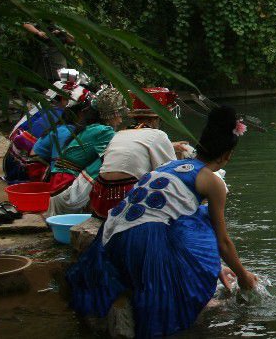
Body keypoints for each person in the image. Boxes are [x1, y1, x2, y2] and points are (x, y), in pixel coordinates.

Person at [67, 105, 258, 338]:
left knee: (192, 217)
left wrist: (216, 267)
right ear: (228, 154)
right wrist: (244, 277)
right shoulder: (213, 182)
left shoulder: (169, 165)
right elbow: (223, 242)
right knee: (203, 218)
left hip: (109, 241)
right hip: (142, 243)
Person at [89, 88, 189, 219]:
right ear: (156, 119)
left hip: (100, 200)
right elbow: (170, 175)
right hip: (124, 201)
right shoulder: (158, 135)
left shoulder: (120, 133)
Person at [32, 100, 114, 199]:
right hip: (41, 173)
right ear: (80, 113)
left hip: (54, 174)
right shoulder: (66, 132)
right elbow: (57, 161)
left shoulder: (70, 128)